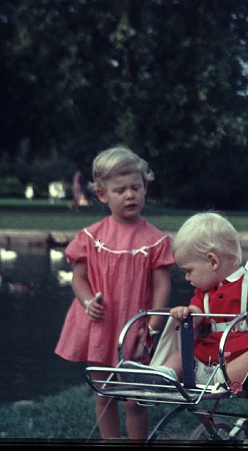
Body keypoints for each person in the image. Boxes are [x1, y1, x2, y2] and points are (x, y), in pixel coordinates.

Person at [54, 146, 174, 441]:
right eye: (120, 190)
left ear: (146, 188)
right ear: (102, 195)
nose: (129, 195)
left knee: (134, 398)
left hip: (136, 326)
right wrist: (86, 302)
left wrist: (152, 326)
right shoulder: (91, 237)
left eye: (136, 187)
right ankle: (111, 441)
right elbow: (78, 279)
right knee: (104, 394)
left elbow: (162, 286)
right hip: (101, 324)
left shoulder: (155, 240)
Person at [121, 212, 248, 388]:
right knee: (180, 355)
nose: (187, 278)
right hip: (209, 354)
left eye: (189, 271)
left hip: (244, 352)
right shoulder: (203, 294)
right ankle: (166, 374)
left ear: (212, 262)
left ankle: (219, 379)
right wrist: (187, 313)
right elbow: (196, 315)